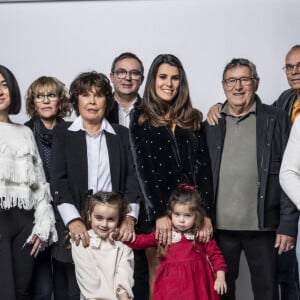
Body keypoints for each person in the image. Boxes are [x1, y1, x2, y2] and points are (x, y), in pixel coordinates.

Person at [207, 45, 300, 299]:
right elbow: (201, 177)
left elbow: (289, 172)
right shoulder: (211, 123)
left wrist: (288, 225)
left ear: (256, 83)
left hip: (265, 227)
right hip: (221, 229)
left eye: (244, 80)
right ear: (224, 85)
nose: (238, 87)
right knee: (222, 293)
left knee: (268, 292)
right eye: (231, 81)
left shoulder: (277, 118)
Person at [50, 71, 141, 300]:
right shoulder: (63, 134)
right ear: (76, 100)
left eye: (98, 95)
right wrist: (73, 220)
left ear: (107, 101)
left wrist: (130, 218)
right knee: (76, 291)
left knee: (116, 288)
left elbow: (132, 177)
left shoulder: (121, 134)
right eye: (85, 95)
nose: (92, 101)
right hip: (77, 227)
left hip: (113, 226)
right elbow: (58, 181)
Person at [129, 54, 214, 295]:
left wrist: (206, 214)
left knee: (196, 277)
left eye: (175, 78)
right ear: (153, 80)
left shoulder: (193, 118)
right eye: (163, 77)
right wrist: (158, 215)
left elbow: (203, 169)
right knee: (162, 279)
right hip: (158, 213)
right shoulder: (141, 116)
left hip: (191, 212)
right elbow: (143, 167)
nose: (169, 83)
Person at [0, 65, 57, 300]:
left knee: (23, 292)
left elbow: (40, 185)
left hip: (25, 222)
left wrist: (42, 228)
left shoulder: (24, 132)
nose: (0, 91)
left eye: (4, 85)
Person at [125, 184, 227, 300]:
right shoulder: (165, 234)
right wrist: (123, 236)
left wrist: (220, 277)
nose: (181, 220)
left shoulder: (199, 235)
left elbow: (216, 257)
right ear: (170, 214)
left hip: (198, 285)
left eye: (187, 215)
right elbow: (140, 241)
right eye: (177, 214)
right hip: (171, 286)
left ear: (197, 216)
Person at [25, 76, 72, 300]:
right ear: (33, 102)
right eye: (39, 96)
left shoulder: (73, 132)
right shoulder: (23, 132)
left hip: (66, 215)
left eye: (51, 95)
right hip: (36, 217)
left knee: (66, 287)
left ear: (60, 100)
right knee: (42, 289)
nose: (45, 100)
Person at [108, 52, 149, 300]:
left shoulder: (152, 111)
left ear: (142, 79)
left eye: (134, 73)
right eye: (121, 72)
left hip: (143, 203)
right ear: (112, 76)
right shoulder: (98, 109)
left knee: (139, 271)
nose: (127, 77)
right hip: (107, 201)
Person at [71, 191, 134, 300]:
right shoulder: (81, 243)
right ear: (89, 216)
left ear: (119, 219)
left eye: (110, 219)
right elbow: (91, 286)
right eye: (99, 218)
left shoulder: (123, 245)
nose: (104, 224)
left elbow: (124, 279)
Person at [279, 45, 300, 288]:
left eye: (299, 65)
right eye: (289, 66)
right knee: (287, 275)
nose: (294, 71)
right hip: (288, 199)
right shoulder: (285, 99)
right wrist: (220, 106)